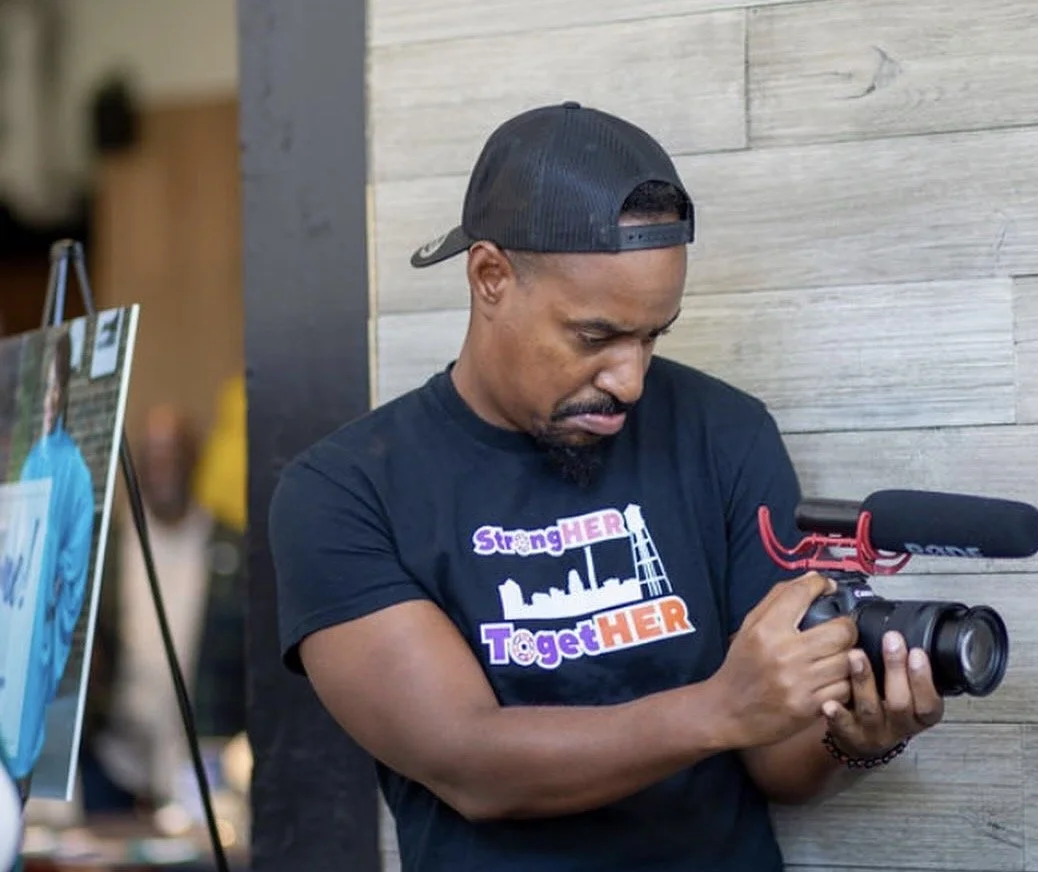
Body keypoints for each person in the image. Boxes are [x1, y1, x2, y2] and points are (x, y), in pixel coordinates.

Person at [267, 102, 946, 870]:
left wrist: (853, 738)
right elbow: (471, 765)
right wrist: (718, 709)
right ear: (490, 276)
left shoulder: (724, 431)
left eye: (652, 336)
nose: (629, 381)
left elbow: (775, 761)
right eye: (595, 336)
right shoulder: (344, 492)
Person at [80, 404, 247, 816]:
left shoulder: (233, 549)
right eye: (151, 458)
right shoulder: (105, 546)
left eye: (172, 455)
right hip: (116, 760)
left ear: (194, 459)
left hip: (203, 763)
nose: (162, 470)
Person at [8, 330, 94, 788]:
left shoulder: (73, 470)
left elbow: (72, 571)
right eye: (42, 387)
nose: (48, 398)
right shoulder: (32, 462)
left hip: (40, 630)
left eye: (54, 387)